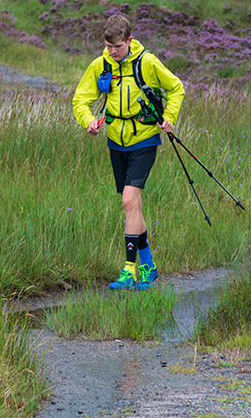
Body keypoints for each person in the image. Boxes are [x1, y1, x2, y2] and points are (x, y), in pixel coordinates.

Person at [72, 14, 184, 290]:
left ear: (129, 41)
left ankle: (129, 270)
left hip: (144, 139)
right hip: (115, 142)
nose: (113, 51)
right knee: (132, 206)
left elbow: (176, 87)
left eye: (118, 47)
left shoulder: (147, 62)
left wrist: (169, 117)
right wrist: (88, 121)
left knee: (128, 201)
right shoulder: (101, 65)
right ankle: (149, 266)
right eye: (109, 46)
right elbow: (81, 99)